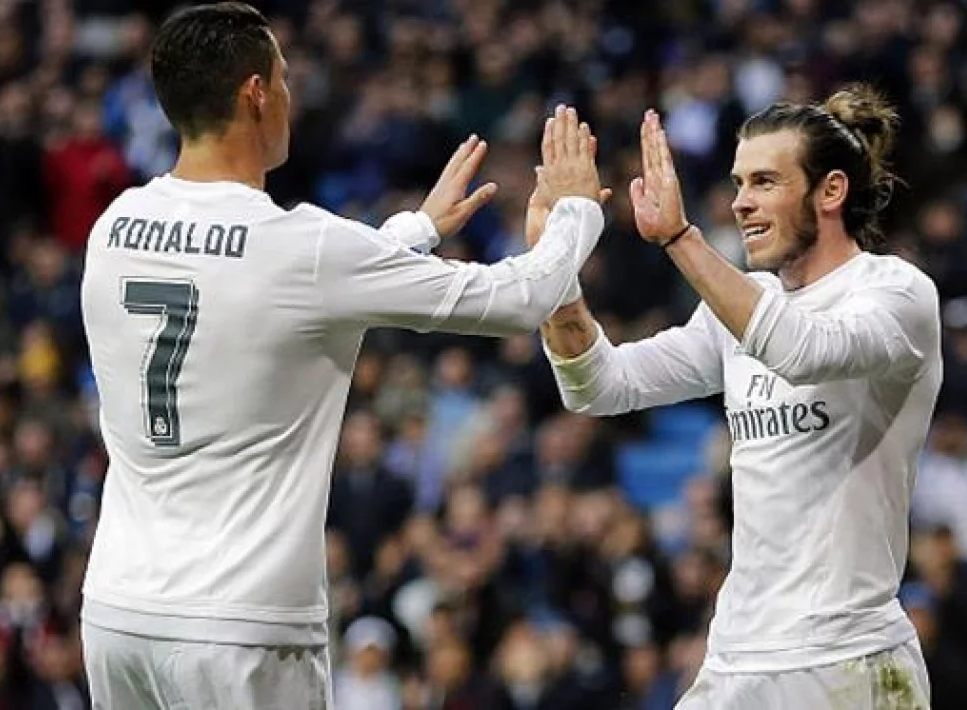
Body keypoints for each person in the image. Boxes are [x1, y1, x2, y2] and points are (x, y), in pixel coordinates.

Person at [77, 3, 607, 708]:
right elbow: (518, 299)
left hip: (117, 614)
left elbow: (253, 287)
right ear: (254, 93)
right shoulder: (304, 246)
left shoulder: (114, 226)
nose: (290, 96)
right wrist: (576, 211)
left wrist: (412, 232)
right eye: (284, 78)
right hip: (241, 626)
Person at [534, 85, 942, 709]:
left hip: (848, 662)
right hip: (737, 658)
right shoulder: (741, 309)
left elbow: (803, 351)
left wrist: (681, 239)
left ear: (831, 191)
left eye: (765, 182)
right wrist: (555, 271)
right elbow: (600, 386)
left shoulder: (896, 295)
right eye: (738, 182)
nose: (741, 202)